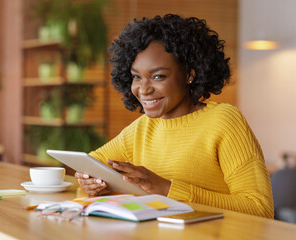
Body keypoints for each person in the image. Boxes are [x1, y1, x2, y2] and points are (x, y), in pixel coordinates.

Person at [75, 14, 274, 218]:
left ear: (190, 74)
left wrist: (166, 188)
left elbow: (260, 208)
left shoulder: (224, 121)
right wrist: (91, 182)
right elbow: (91, 164)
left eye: (158, 76)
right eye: (136, 77)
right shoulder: (142, 128)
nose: (143, 89)